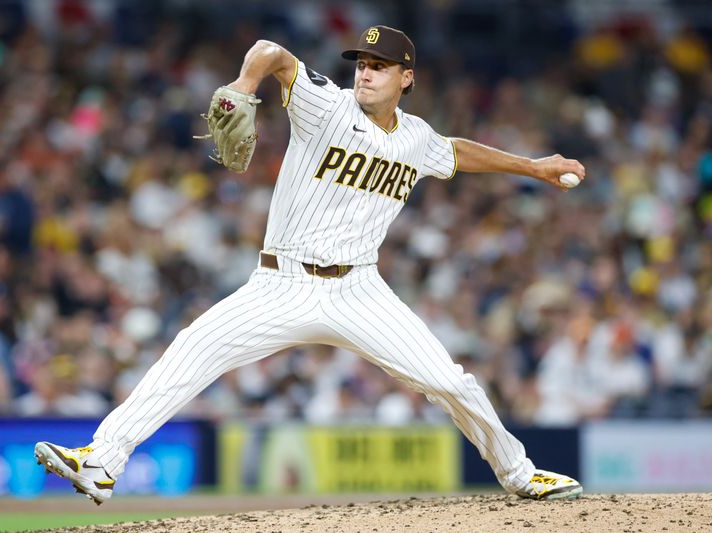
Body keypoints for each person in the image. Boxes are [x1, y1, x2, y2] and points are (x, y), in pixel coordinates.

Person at [35, 25, 585, 504]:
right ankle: (101, 462)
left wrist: (531, 167)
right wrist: (243, 85)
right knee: (191, 350)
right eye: (362, 65)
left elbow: (456, 151)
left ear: (407, 78)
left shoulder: (416, 138)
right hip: (281, 283)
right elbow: (272, 51)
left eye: (379, 67)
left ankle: (519, 473)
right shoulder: (325, 104)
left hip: (359, 291)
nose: (365, 75)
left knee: (451, 382)